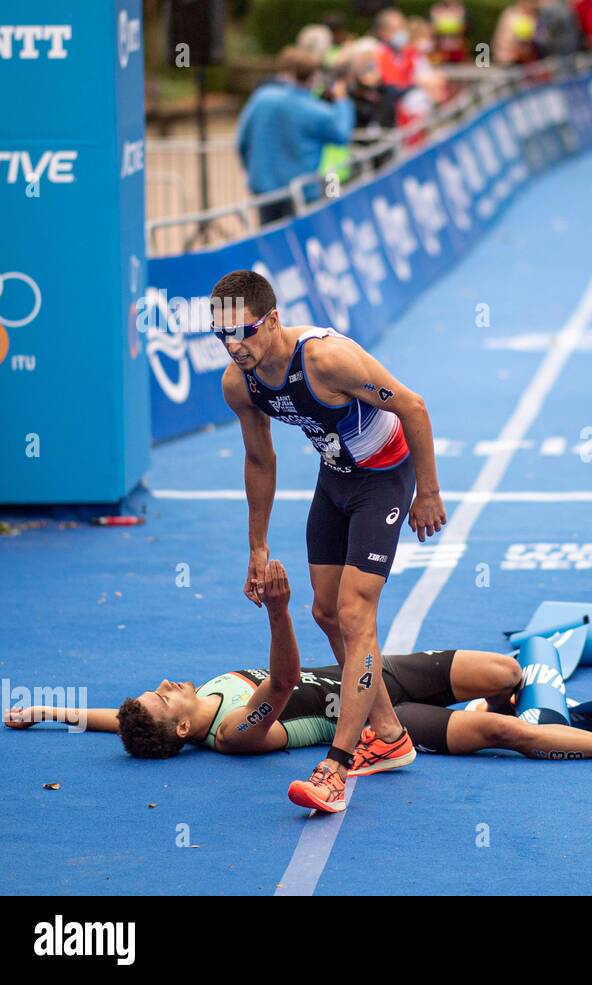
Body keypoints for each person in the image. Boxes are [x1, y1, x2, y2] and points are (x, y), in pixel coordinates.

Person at [3, 561, 592, 770]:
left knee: (507, 675)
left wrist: (49, 713)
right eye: (163, 700)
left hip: (374, 668)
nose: (163, 686)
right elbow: (280, 682)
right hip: (374, 716)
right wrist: (279, 609)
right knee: (502, 736)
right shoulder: (236, 732)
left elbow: (115, 720)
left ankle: (509, 699)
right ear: (183, 733)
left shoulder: (175, 713)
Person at [212, 269, 447, 813]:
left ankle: (335, 768)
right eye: (221, 335)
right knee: (326, 612)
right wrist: (257, 546)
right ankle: (388, 733)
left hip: (385, 477)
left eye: (243, 331)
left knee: (355, 612)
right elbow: (258, 458)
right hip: (336, 479)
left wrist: (427, 493)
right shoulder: (238, 383)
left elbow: (412, 405)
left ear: (271, 320)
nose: (234, 346)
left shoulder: (326, 359)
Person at [235, 47, 355, 227]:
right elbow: (341, 134)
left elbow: (241, 140)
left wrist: (254, 172)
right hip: (301, 193)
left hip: (265, 190)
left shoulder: (262, 98)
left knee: (270, 241)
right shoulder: (315, 111)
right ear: (313, 77)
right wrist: (342, 102)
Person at [493, 0, 542, 65]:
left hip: (527, 62)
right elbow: (503, 41)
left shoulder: (535, 16)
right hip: (509, 61)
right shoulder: (511, 15)